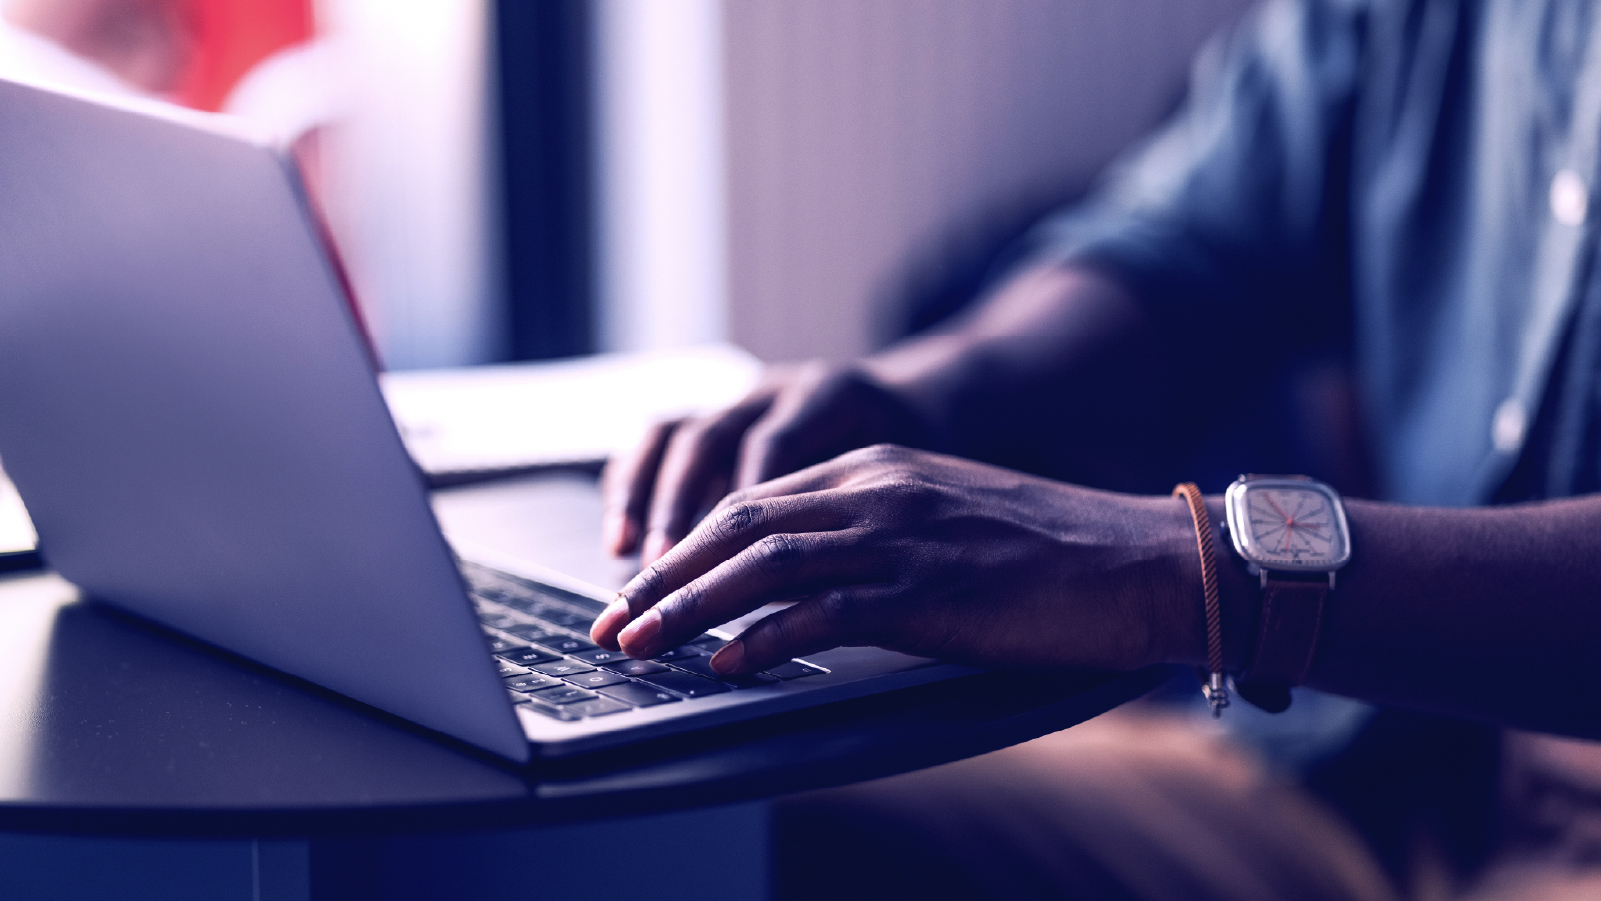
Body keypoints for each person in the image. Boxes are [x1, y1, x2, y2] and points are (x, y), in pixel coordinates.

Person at [589, 0, 1601, 897]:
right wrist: (920, 394)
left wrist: (1185, 571)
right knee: (706, 832)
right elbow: (1193, 245)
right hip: (1374, 767)